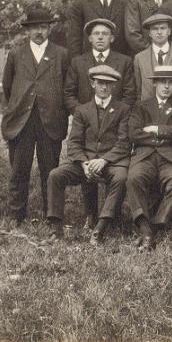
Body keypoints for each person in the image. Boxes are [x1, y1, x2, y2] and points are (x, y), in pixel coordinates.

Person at [63, 18, 135, 228]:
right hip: (87, 122)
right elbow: (68, 93)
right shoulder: (78, 62)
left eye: (105, 33)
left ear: (112, 38)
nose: (101, 37)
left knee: (116, 170)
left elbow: (130, 94)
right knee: (87, 159)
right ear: (90, 38)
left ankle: (112, 215)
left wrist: (120, 114)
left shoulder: (123, 61)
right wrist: (83, 115)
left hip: (116, 121)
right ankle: (90, 214)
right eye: (96, 34)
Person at [46, 65, 130, 245]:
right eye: (100, 83)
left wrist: (104, 160)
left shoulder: (123, 110)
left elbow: (124, 143)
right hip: (84, 164)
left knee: (121, 178)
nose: (104, 87)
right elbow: (74, 143)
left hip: (111, 163)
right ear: (93, 84)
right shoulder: (82, 110)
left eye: (108, 84)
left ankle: (100, 227)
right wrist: (84, 164)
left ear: (114, 86)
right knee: (55, 175)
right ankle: (55, 229)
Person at [1, 8, 69, 225]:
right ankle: (16, 216)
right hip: (22, 120)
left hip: (50, 120)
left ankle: (52, 217)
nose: (39, 31)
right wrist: (19, 107)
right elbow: (8, 87)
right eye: (34, 27)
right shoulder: (16, 54)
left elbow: (67, 87)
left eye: (43, 26)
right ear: (27, 30)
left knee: (50, 171)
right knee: (19, 169)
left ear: (49, 28)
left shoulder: (61, 54)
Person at [126, 65, 172, 252]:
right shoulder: (141, 106)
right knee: (134, 178)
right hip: (145, 155)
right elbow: (133, 133)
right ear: (155, 83)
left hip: (170, 157)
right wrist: (170, 132)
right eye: (163, 82)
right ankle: (144, 226)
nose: (166, 86)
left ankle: (156, 224)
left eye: (171, 82)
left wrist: (156, 129)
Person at [133, 13, 172, 109]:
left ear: (169, 31)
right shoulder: (139, 58)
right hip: (149, 113)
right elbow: (138, 92)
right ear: (149, 33)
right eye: (155, 29)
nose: (159, 32)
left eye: (163, 28)